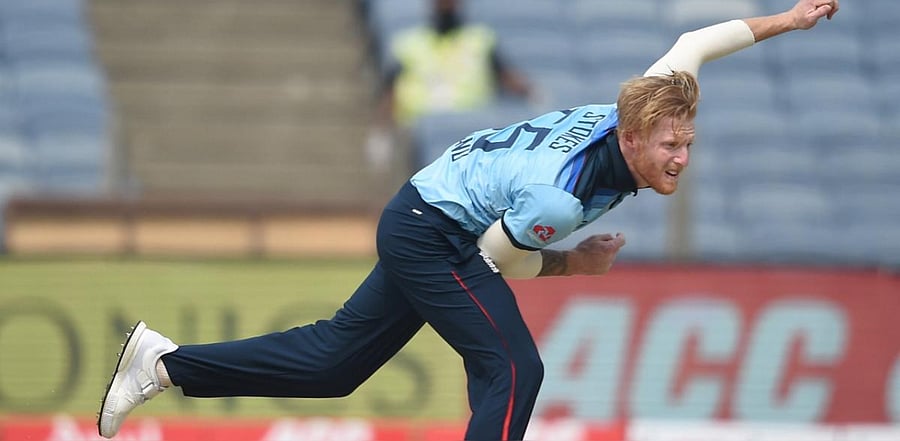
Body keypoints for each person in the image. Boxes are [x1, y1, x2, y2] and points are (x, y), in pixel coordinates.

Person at [98, 1, 839, 439]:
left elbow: (698, 43)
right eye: (672, 146)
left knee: (333, 363)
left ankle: (163, 361)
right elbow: (498, 261)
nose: (683, 156)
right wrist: (575, 266)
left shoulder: (647, 99)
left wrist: (792, 19)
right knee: (513, 364)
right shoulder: (564, 197)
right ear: (632, 138)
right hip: (437, 229)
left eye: (688, 142)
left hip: (425, 205)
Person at [365, 0, 532, 171]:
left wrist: (534, 96)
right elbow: (389, 91)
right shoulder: (409, 43)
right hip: (416, 130)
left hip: (471, 129)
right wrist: (381, 132)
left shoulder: (480, 40)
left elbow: (508, 78)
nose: (446, 6)